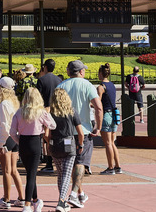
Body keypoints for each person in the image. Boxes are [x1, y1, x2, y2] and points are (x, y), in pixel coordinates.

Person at [56, 60, 102, 209]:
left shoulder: (61, 86)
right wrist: (98, 128)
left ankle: (81, 193)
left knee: (72, 163)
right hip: (84, 130)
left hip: (65, 132)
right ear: (81, 71)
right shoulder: (87, 85)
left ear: (69, 72)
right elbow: (98, 107)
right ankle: (74, 194)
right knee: (81, 162)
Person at [10, 87, 55, 212]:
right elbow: (52, 124)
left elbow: (12, 132)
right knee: (31, 175)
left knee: (30, 173)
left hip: (23, 142)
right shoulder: (40, 112)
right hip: (35, 142)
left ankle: (35, 200)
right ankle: (27, 204)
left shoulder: (19, 112)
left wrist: (20, 141)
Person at [0, 76, 24, 209]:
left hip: (7, 138)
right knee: (13, 170)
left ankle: (6, 200)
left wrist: (0, 143)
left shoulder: (4, 104)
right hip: (14, 137)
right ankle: (21, 197)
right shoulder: (12, 102)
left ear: (2, 88)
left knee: (6, 170)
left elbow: (4, 126)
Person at [49, 89, 83, 212]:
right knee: (67, 174)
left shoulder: (51, 112)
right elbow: (80, 132)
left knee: (60, 173)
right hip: (69, 145)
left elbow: (47, 134)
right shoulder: (72, 111)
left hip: (55, 145)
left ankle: (61, 198)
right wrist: (80, 144)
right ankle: (62, 201)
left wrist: (48, 143)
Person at [36, 58, 61, 173]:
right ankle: (53, 160)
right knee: (53, 135)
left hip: (44, 110)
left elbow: (38, 97)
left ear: (45, 67)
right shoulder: (58, 80)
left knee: (45, 138)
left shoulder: (41, 80)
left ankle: (49, 161)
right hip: (56, 111)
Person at [96, 65, 121, 175]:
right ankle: (117, 166)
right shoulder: (112, 85)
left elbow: (98, 103)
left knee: (107, 143)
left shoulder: (101, 87)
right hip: (114, 114)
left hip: (106, 115)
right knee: (112, 142)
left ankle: (110, 167)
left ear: (101, 73)